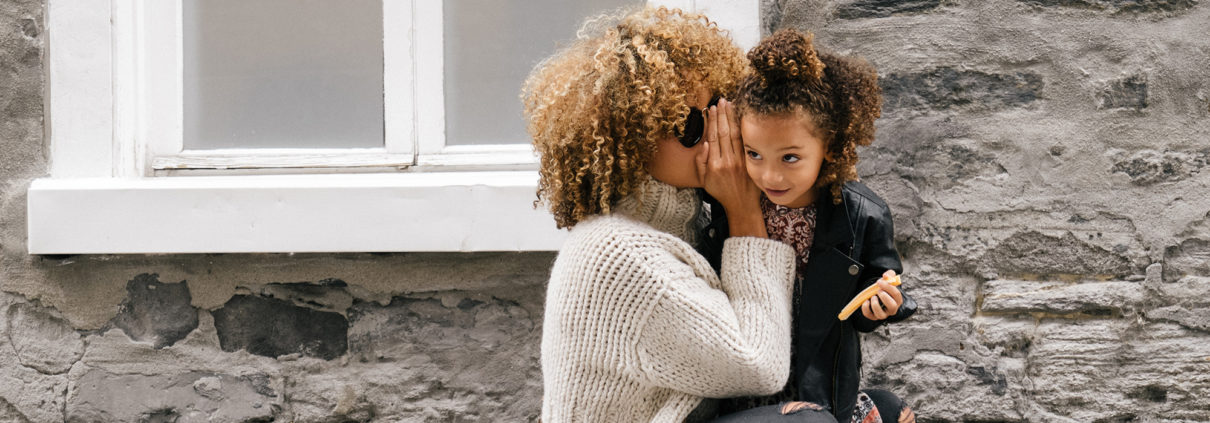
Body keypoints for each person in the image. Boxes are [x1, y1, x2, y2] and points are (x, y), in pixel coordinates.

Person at [522, 7, 807, 423]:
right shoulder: (619, 252)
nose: (716, 134)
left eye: (720, 112)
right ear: (633, 136)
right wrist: (744, 208)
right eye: (690, 122)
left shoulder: (677, 230)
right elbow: (759, 364)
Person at [702, 29, 919, 423]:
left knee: (892, 410)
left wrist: (878, 308)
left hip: (821, 382)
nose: (769, 175)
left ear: (830, 148)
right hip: (746, 378)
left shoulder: (862, 215)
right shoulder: (727, 205)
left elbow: (876, 286)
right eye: (753, 153)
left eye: (789, 158)